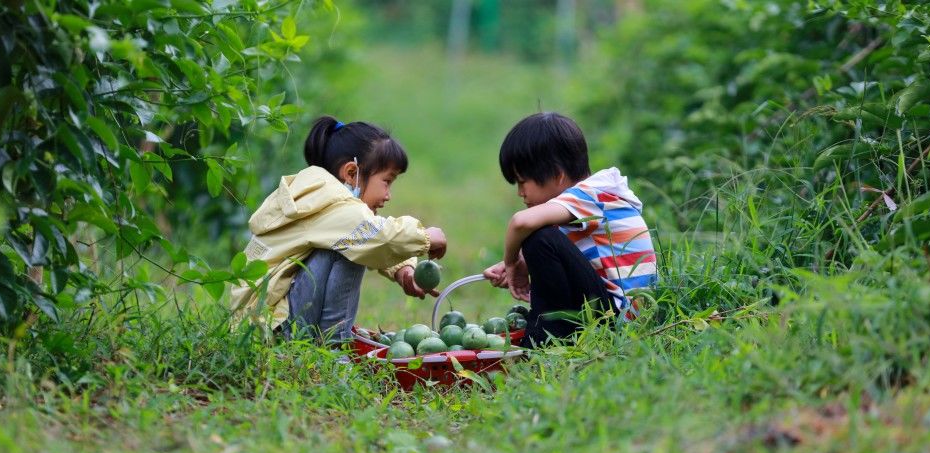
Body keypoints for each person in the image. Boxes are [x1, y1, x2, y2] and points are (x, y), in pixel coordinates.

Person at [231, 115, 448, 343]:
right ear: (351, 173)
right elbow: (377, 236)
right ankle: (335, 345)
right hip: (272, 328)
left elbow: (368, 232)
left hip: (258, 323)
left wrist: (402, 270)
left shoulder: (319, 197)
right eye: (387, 181)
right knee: (353, 244)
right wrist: (426, 237)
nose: (388, 195)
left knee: (355, 239)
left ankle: (326, 342)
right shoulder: (332, 204)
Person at [482, 112, 657, 347]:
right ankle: (555, 337)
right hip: (616, 316)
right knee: (540, 237)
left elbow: (520, 223)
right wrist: (523, 263)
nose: (520, 192)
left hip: (618, 320)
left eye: (523, 182)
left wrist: (511, 262)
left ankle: (543, 340)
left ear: (557, 174)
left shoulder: (590, 194)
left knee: (539, 238)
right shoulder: (584, 203)